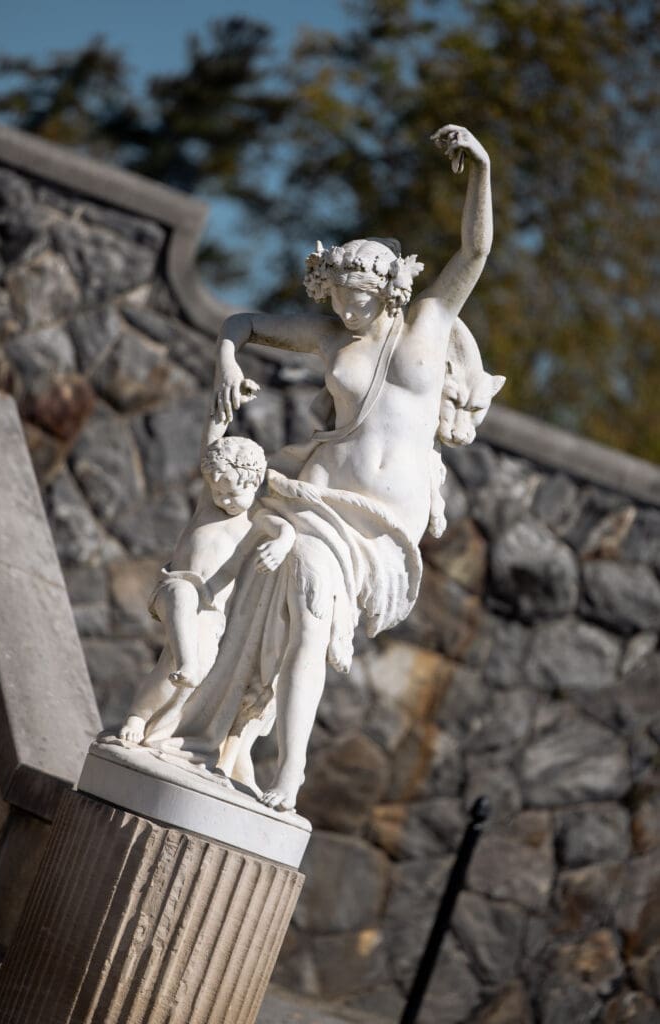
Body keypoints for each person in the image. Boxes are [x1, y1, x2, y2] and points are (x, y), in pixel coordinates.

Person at [154, 125, 496, 811]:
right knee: (303, 616)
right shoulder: (330, 337)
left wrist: (481, 170)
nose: (344, 309)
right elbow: (240, 325)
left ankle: (258, 750)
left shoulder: (430, 322)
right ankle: (285, 768)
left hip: (383, 523)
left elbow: (476, 250)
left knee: (301, 624)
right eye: (335, 297)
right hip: (316, 499)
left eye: (356, 298)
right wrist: (226, 365)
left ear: (388, 290)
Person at [118, 433, 295, 746]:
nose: (223, 499)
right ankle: (139, 712)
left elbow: (284, 529)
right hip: (175, 587)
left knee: (179, 669)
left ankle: (146, 719)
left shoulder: (255, 522)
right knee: (184, 600)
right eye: (217, 491)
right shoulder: (207, 506)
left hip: (210, 611)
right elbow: (212, 436)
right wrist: (220, 400)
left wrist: (282, 543)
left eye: (231, 494)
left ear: (254, 483)